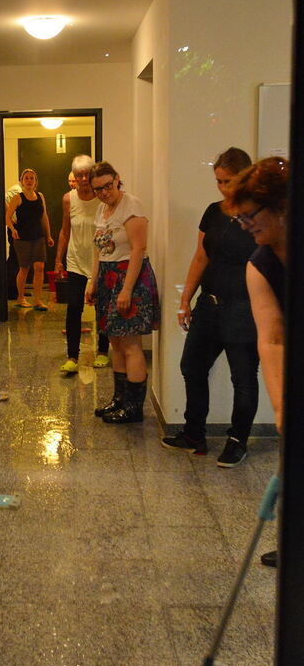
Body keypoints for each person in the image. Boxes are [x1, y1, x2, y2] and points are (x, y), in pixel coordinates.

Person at [162, 148, 259, 467]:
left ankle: (237, 440)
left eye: (228, 181)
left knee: (243, 378)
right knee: (192, 366)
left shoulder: (262, 216)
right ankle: (193, 434)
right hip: (210, 304)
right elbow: (201, 257)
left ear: (245, 178)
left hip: (245, 310)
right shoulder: (213, 212)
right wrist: (184, 299)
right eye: (218, 181)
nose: (222, 187)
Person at [231, 156, 288, 567]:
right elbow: (271, 338)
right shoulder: (261, 264)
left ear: (283, 207)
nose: (246, 225)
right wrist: (282, 405)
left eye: (250, 216)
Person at [87, 161, 160, 423]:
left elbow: (138, 249)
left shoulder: (132, 205)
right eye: (98, 189)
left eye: (108, 186)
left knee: (130, 344)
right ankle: (119, 400)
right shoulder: (102, 210)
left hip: (130, 277)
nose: (104, 192)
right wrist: (92, 281)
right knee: (115, 342)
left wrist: (127, 289)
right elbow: (100, 250)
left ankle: (133, 407)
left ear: (117, 180)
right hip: (108, 278)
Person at [55, 155, 110, 374]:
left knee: (102, 308)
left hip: (101, 261)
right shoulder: (68, 199)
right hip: (76, 260)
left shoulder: (102, 198)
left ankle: (103, 351)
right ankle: (72, 356)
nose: (84, 178)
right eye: (79, 175)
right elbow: (65, 230)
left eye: (87, 173)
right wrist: (58, 259)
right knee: (74, 308)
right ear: (74, 177)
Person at [6, 168, 54, 310]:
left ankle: (37, 300)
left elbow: (44, 217)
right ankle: (20, 298)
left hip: (38, 237)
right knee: (24, 268)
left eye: (31, 178)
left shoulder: (40, 197)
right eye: (26, 178)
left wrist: (48, 235)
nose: (29, 180)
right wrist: (13, 230)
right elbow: (8, 217)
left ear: (36, 182)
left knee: (39, 267)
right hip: (22, 238)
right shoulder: (18, 197)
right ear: (21, 181)